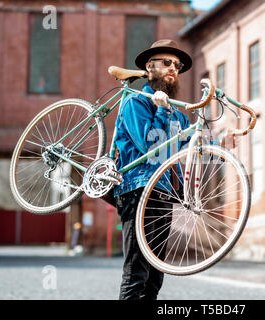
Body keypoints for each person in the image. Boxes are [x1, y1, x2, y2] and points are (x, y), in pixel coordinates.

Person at [113, 39, 235, 300]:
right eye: (167, 63)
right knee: (136, 273)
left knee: (155, 277)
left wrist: (221, 146)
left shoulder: (178, 116)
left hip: (165, 195)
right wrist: (159, 110)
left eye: (177, 65)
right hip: (137, 190)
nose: (173, 69)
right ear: (150, 67)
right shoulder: (137, 102)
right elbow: (150, 147)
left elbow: (189, 150)